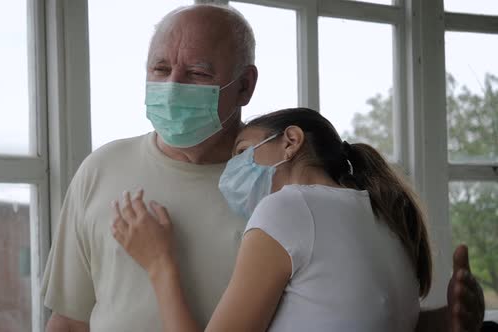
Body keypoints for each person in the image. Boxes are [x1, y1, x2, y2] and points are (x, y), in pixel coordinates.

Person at [42, 4, 485, 332]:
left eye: (196, 73)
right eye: (160, 68)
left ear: (246, 86)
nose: (172, 85)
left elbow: (343, 311)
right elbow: (69, 319)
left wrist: (444, 321)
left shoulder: (277, 198)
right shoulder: (100, 170)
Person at [111, 107, 433, 331]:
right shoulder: (383, 218)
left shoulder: (289, 207)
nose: (230, 171)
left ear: (291, 141)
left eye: (242, 152)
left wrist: (159, 264)